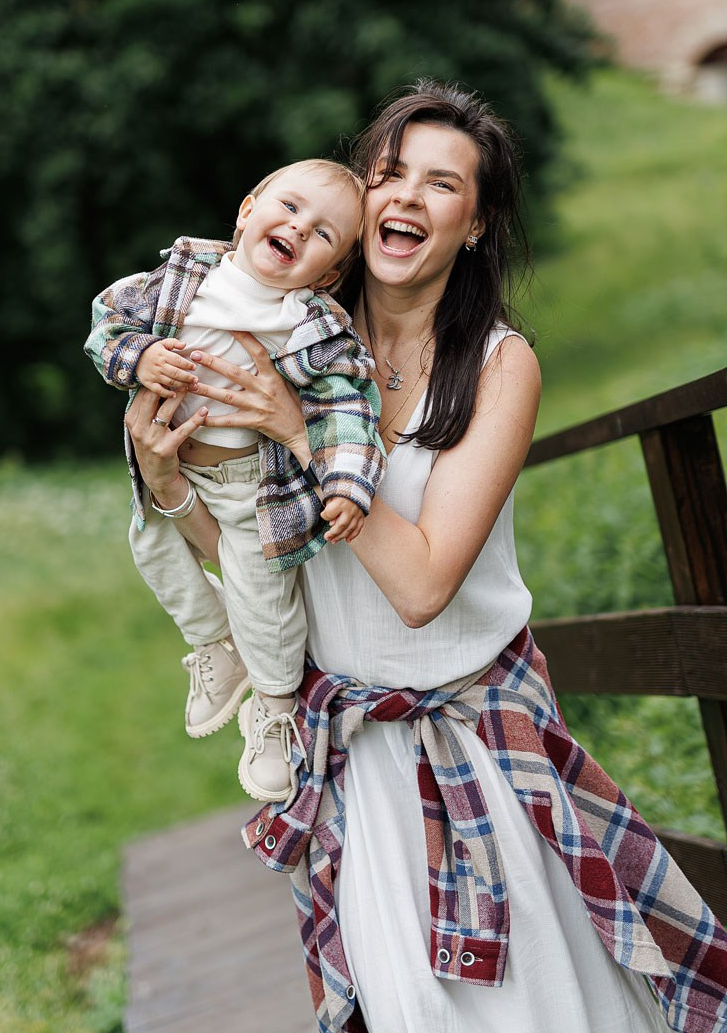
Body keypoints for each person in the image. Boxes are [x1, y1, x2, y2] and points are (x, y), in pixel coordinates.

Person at [123, 83, 727, 1033]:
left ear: (475, 222)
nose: (404, 198)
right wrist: (168, 486)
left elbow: (423, 586)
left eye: (440, 184)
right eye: (389, 173)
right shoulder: (295, 339)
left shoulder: (495, 364)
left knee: (546, 1011)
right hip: (357, 762)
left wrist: (301, 433)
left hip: (479, 746)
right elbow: (251, 547)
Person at [84, 158, 386, 805]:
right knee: (151, 548)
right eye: (290, 208)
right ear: (248, 209)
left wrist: (346, 485)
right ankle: (217, 646)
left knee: (264, 594)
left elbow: (347, 408)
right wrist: (139, 355)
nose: (300, 229)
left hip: (257, 489)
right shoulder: (181, 278)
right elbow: (106, 320)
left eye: (324, 234)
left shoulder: (310, 326)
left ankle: (275, 715)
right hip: (176, 457)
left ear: (328, 274)